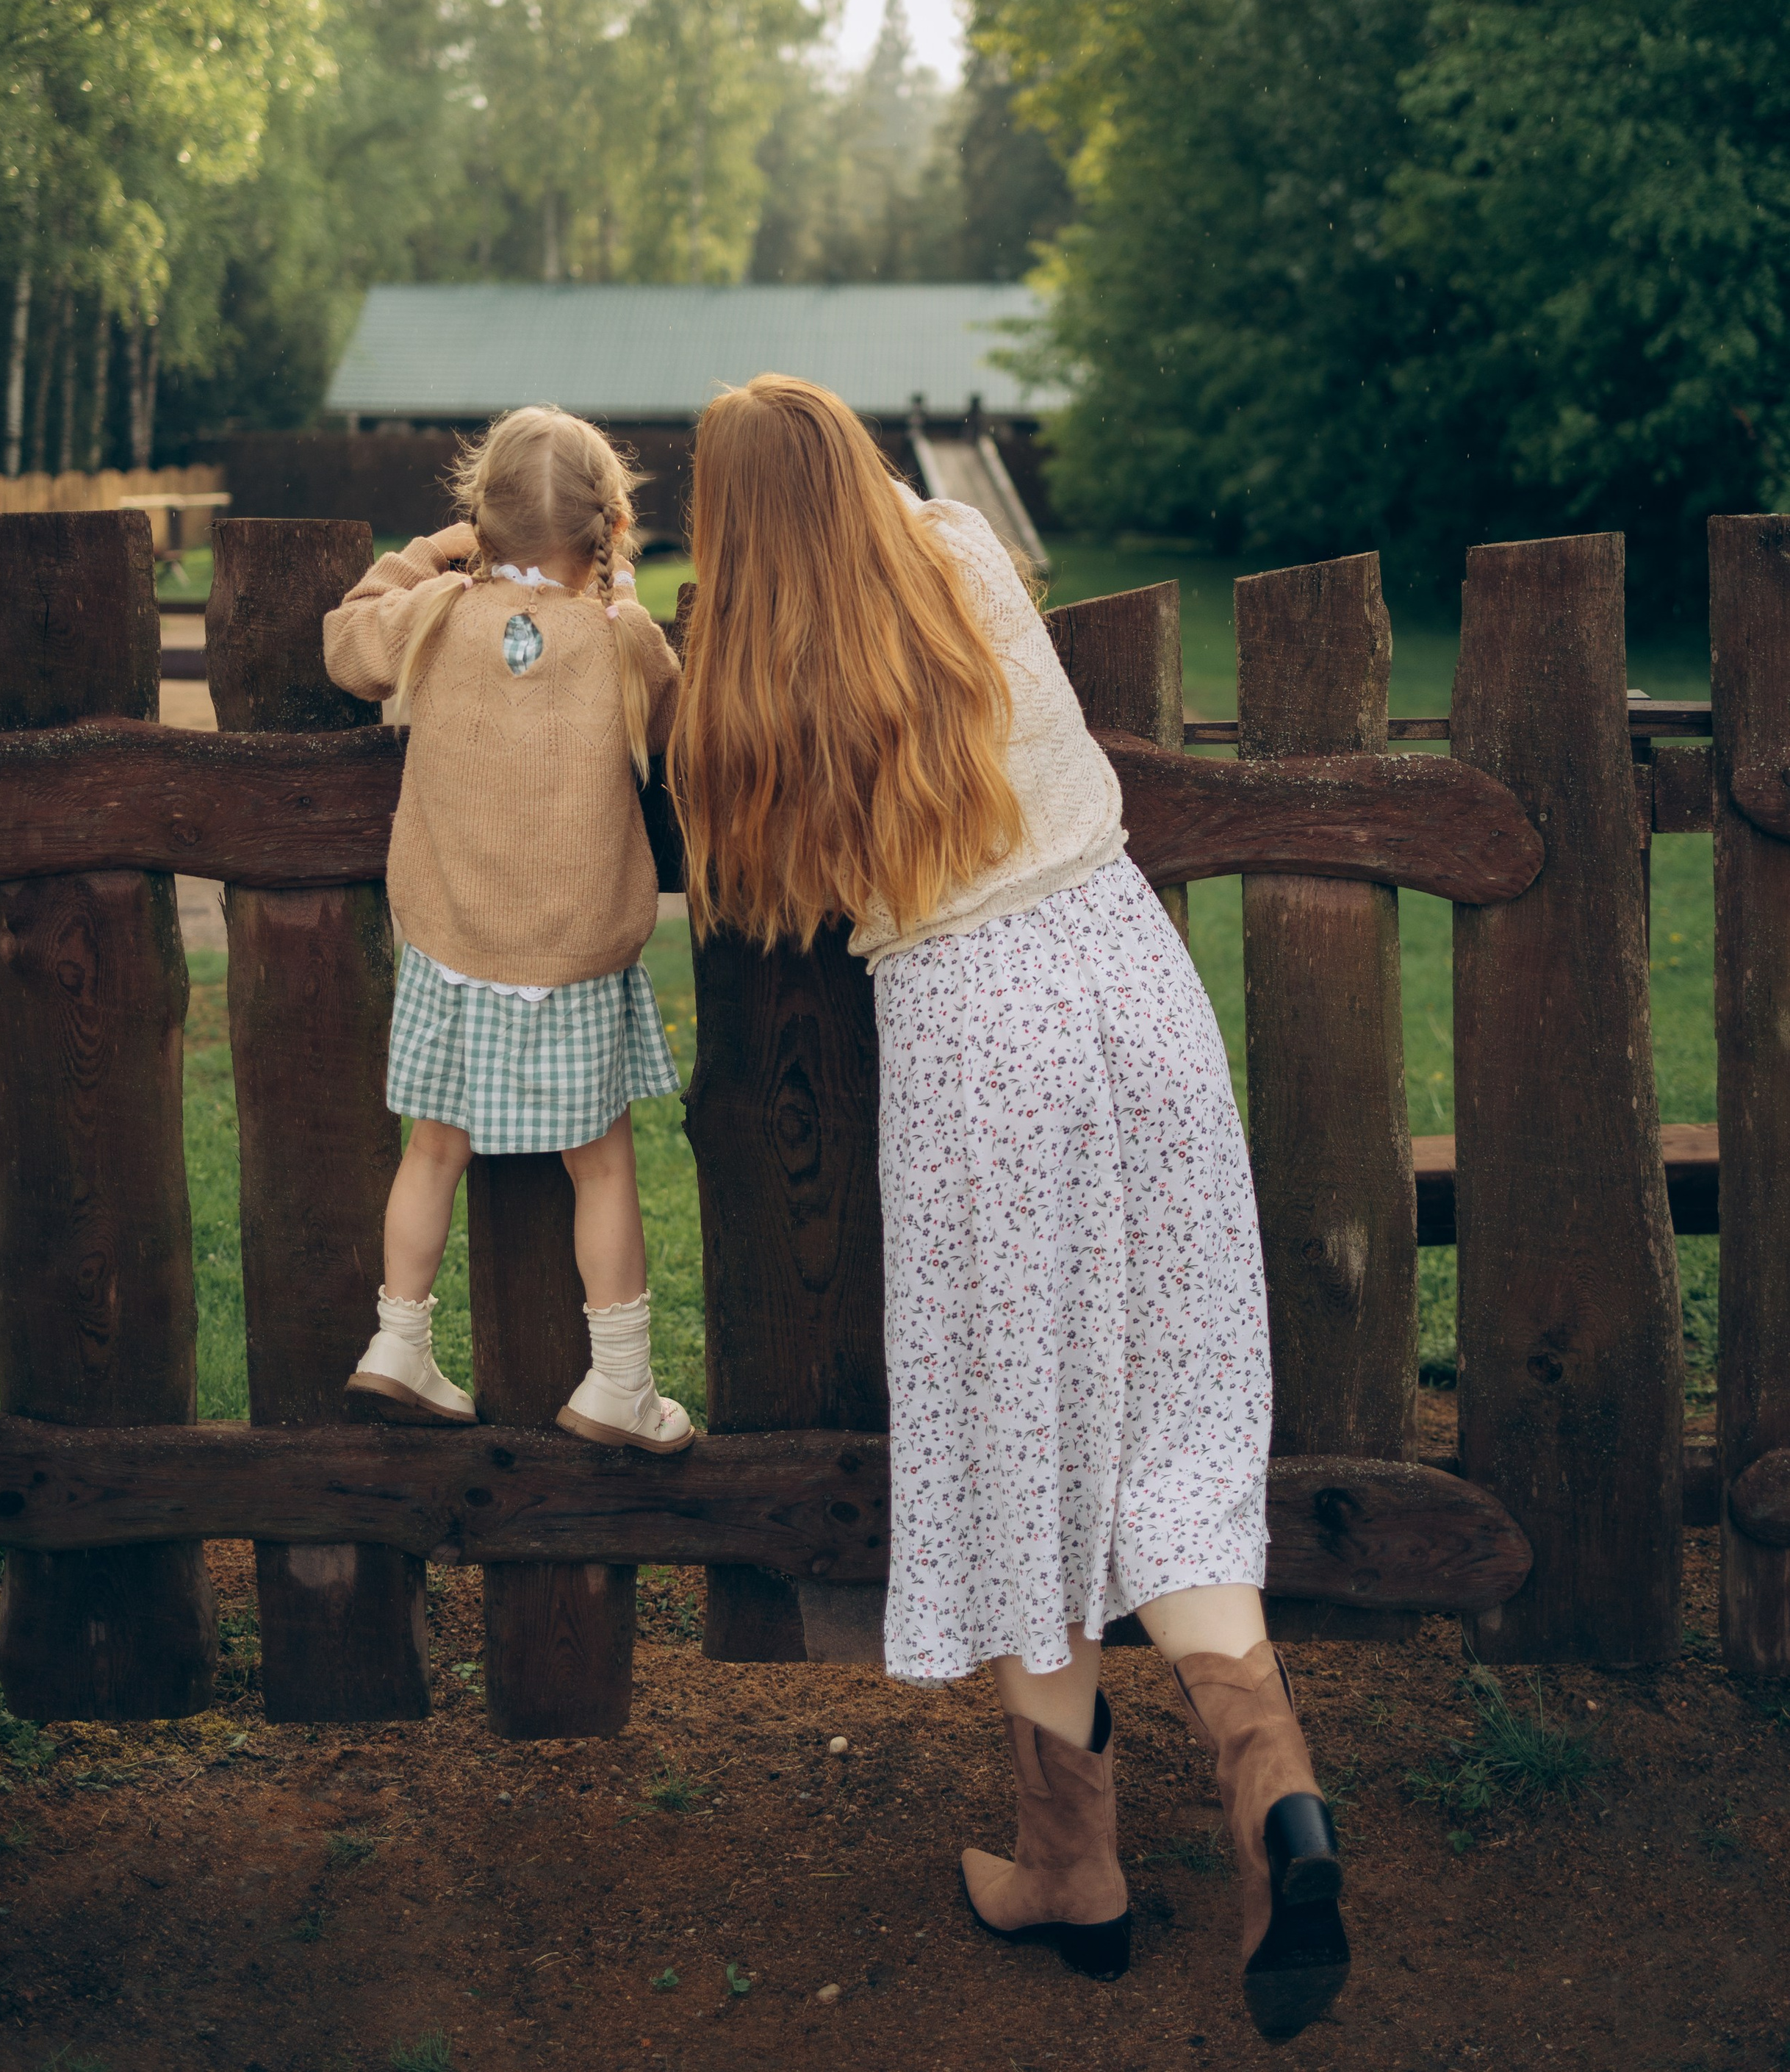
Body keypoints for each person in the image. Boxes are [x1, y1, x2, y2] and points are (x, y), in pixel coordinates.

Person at [666, 375, 1348, 2042]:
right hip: (1133, 982)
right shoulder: (960, 546)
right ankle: (1272, 1789)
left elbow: (751, 891)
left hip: (981, 1047)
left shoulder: (749, 684)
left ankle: (1073, 1865)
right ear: (856, 463)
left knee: (1023, 1447)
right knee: (1174, 1423)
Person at [322, 404, 693, 1455]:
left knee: (433, 1150)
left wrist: (417, 559)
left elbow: (344, 642)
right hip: (574, 957)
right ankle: (619, 1382)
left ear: (474, 521)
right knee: (603, 1167)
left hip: (453, 944)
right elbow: (671, 721)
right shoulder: (623, 640)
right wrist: (619, 594)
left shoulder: (434, 611)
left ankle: (398, 1340)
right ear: (612, 526)